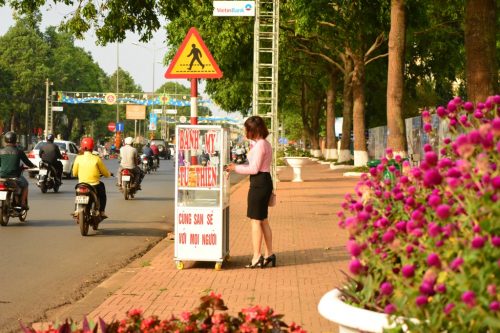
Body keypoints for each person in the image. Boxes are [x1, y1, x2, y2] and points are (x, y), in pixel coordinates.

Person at [226, 116, 275, 269]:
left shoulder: (260, 145)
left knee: (255, 221)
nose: (245, 131)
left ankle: (256, 256)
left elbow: (254, 169)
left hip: (258, 183)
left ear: (253, 130)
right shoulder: (265, 144)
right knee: (263, 220)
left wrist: (235, 168)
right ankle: (269, 254)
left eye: (247, 128)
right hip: (265, 181)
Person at [72, 137, 111, 218]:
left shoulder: (78, 158)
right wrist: (108, 174)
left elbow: (74, 173)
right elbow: (105, 173)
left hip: (81, 184)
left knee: (78, 195)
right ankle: (102, 211)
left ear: (82, 147)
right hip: (94, 185)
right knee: (102, 193)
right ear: (92, 147)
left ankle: (76, 210)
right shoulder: (96, 158)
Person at [0, 131, 36, 209]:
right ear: (15, 140)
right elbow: (27, 162)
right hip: (15, 176)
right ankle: (23, 203)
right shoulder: (19, 151)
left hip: (2, 176)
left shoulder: (1, 151)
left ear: (5, 140)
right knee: (25, 184)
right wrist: (33, 166)